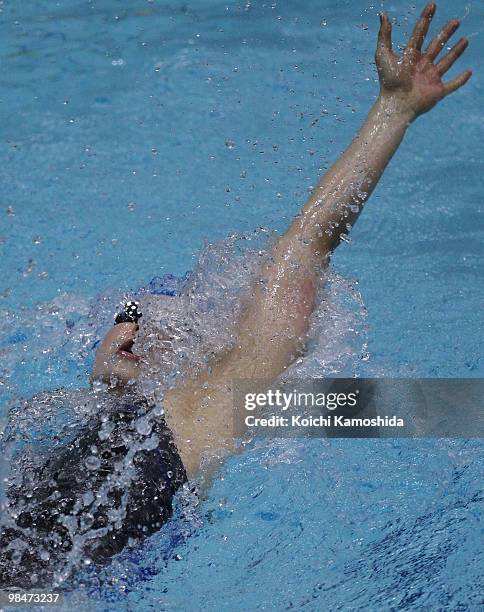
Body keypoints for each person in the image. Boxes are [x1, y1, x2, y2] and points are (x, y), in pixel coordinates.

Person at [0, 2, 471, 587]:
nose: (135, 332)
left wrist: (393, 111)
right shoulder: (100, 417)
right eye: (134, 319)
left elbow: (306, 248)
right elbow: (304, 249)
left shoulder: (212, 409)